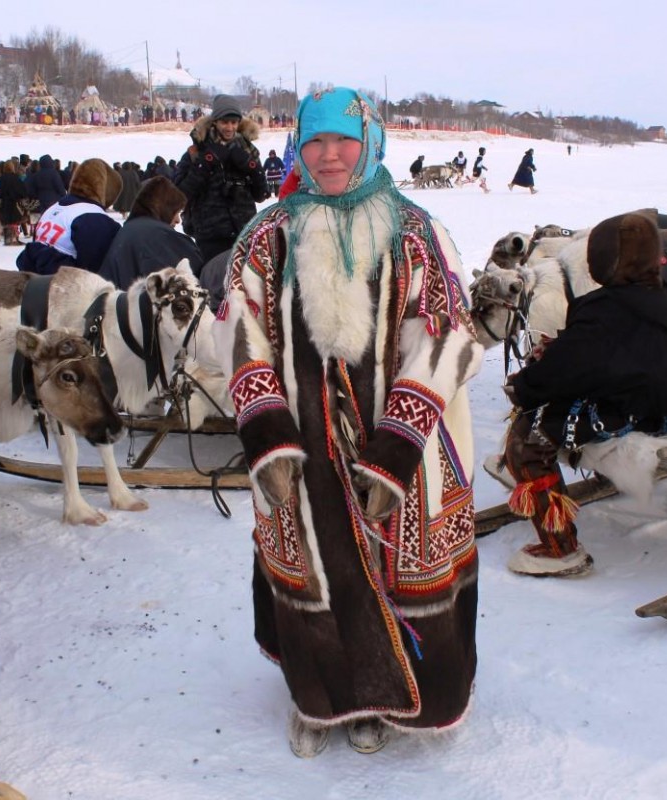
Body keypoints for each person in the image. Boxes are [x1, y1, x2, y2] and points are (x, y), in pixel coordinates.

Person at [216, 87, 483, 757]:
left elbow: (449, 336)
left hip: (402, 448)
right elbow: (236, 330)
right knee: (312, 567)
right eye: (315, 141)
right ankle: (320, 702)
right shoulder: (268, 235)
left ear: (371, 144)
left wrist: (396, 446)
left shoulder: (416, 231)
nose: (329, 154)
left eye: (343, 140)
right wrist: (266, 433)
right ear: (297, 148)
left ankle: (384, 701)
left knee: (394, 569)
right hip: (297, 446)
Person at [502, 212, 667, 577]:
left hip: (640, 413)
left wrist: (523, 387)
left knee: (526, 439)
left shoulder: (604, 308)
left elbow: (570, 369)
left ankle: (560, 550)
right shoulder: (658, 293)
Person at [174, 94, 268, 261]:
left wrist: (252, 167)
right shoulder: (196, 152)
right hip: (210, 237)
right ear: (215, 122)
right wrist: (205, 164)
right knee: (213, 277)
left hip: (244, 234)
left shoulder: (248, 150)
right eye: (225, 122)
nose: (230, 128)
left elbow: (261, 194)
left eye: (234, 122)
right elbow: (179, 195)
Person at [16, 158, 122, 275]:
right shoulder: (94, 219)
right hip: (65, 282)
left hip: (37, 280)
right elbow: (97, 272)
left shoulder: (52, 210)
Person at [99, 176, 203, 289]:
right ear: (165, 208)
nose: (178, 220)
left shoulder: (133, 229)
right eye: (175, 212)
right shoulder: (159, 236)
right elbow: (194, 271)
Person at [0, 159, 27, 245]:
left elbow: (0, 189)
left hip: (5, 202)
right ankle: (14, 239)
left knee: (7, 221)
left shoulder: (2, 178)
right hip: (14, 202)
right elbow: (22, 191)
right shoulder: (15, 178)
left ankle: (7, 239)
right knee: (15, 221)